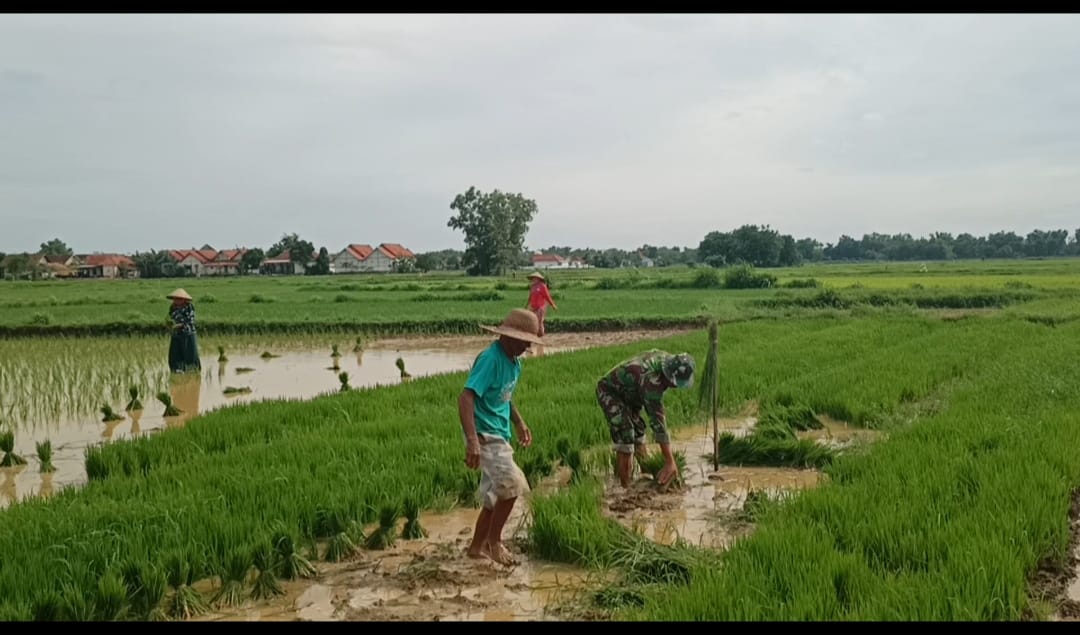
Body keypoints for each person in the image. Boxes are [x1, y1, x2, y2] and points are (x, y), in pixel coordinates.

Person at [458, 308, 543, 566]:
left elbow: (504, 397)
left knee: (496, 495)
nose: (527, 346)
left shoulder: (513, 363)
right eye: (525, 341)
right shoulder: (490, 359)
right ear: (509, 336)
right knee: (513, 485)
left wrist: (519, 422)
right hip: (485, 435)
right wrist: (472, 440)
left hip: (500, 433)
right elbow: (466, 397)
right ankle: (494, 542)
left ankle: (476, 548)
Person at [596, 349, 695, 488]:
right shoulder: (652, 380)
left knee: (639, 430)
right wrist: (669, 461)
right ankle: (625, 488)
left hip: (631, 393)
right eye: (675, 383)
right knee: (626, 433)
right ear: (669, 377)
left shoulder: (666, 360)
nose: (674, 386)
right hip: (611, 392)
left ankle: (646, 474)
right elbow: (657, 422)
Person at [166, 288, 201, 373]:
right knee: (175, 353)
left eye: (179, 299)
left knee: (189, 353)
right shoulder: (172, 307)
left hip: (188, 333)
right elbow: (170, 318)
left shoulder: (189, 307)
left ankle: (192, 370)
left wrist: (178, 325)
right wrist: (168, 325)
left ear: (184, 299)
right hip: (176, 334)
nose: (176, 300)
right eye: (175, 298)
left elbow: (190, 321)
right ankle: (177, 370)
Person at [525, 272, 557, 337]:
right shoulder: (532, 287)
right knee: (530, 319)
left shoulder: (542, 286)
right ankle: (533, 332)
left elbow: (547, 296)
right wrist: (527, 305)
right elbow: (530, 297)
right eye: (532, 279)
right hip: (533, 306)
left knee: (539, 321)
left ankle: (540, 334)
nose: (533, 280)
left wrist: (552, 305)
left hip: (541, 306)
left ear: (538, 279)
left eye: (534, 278)